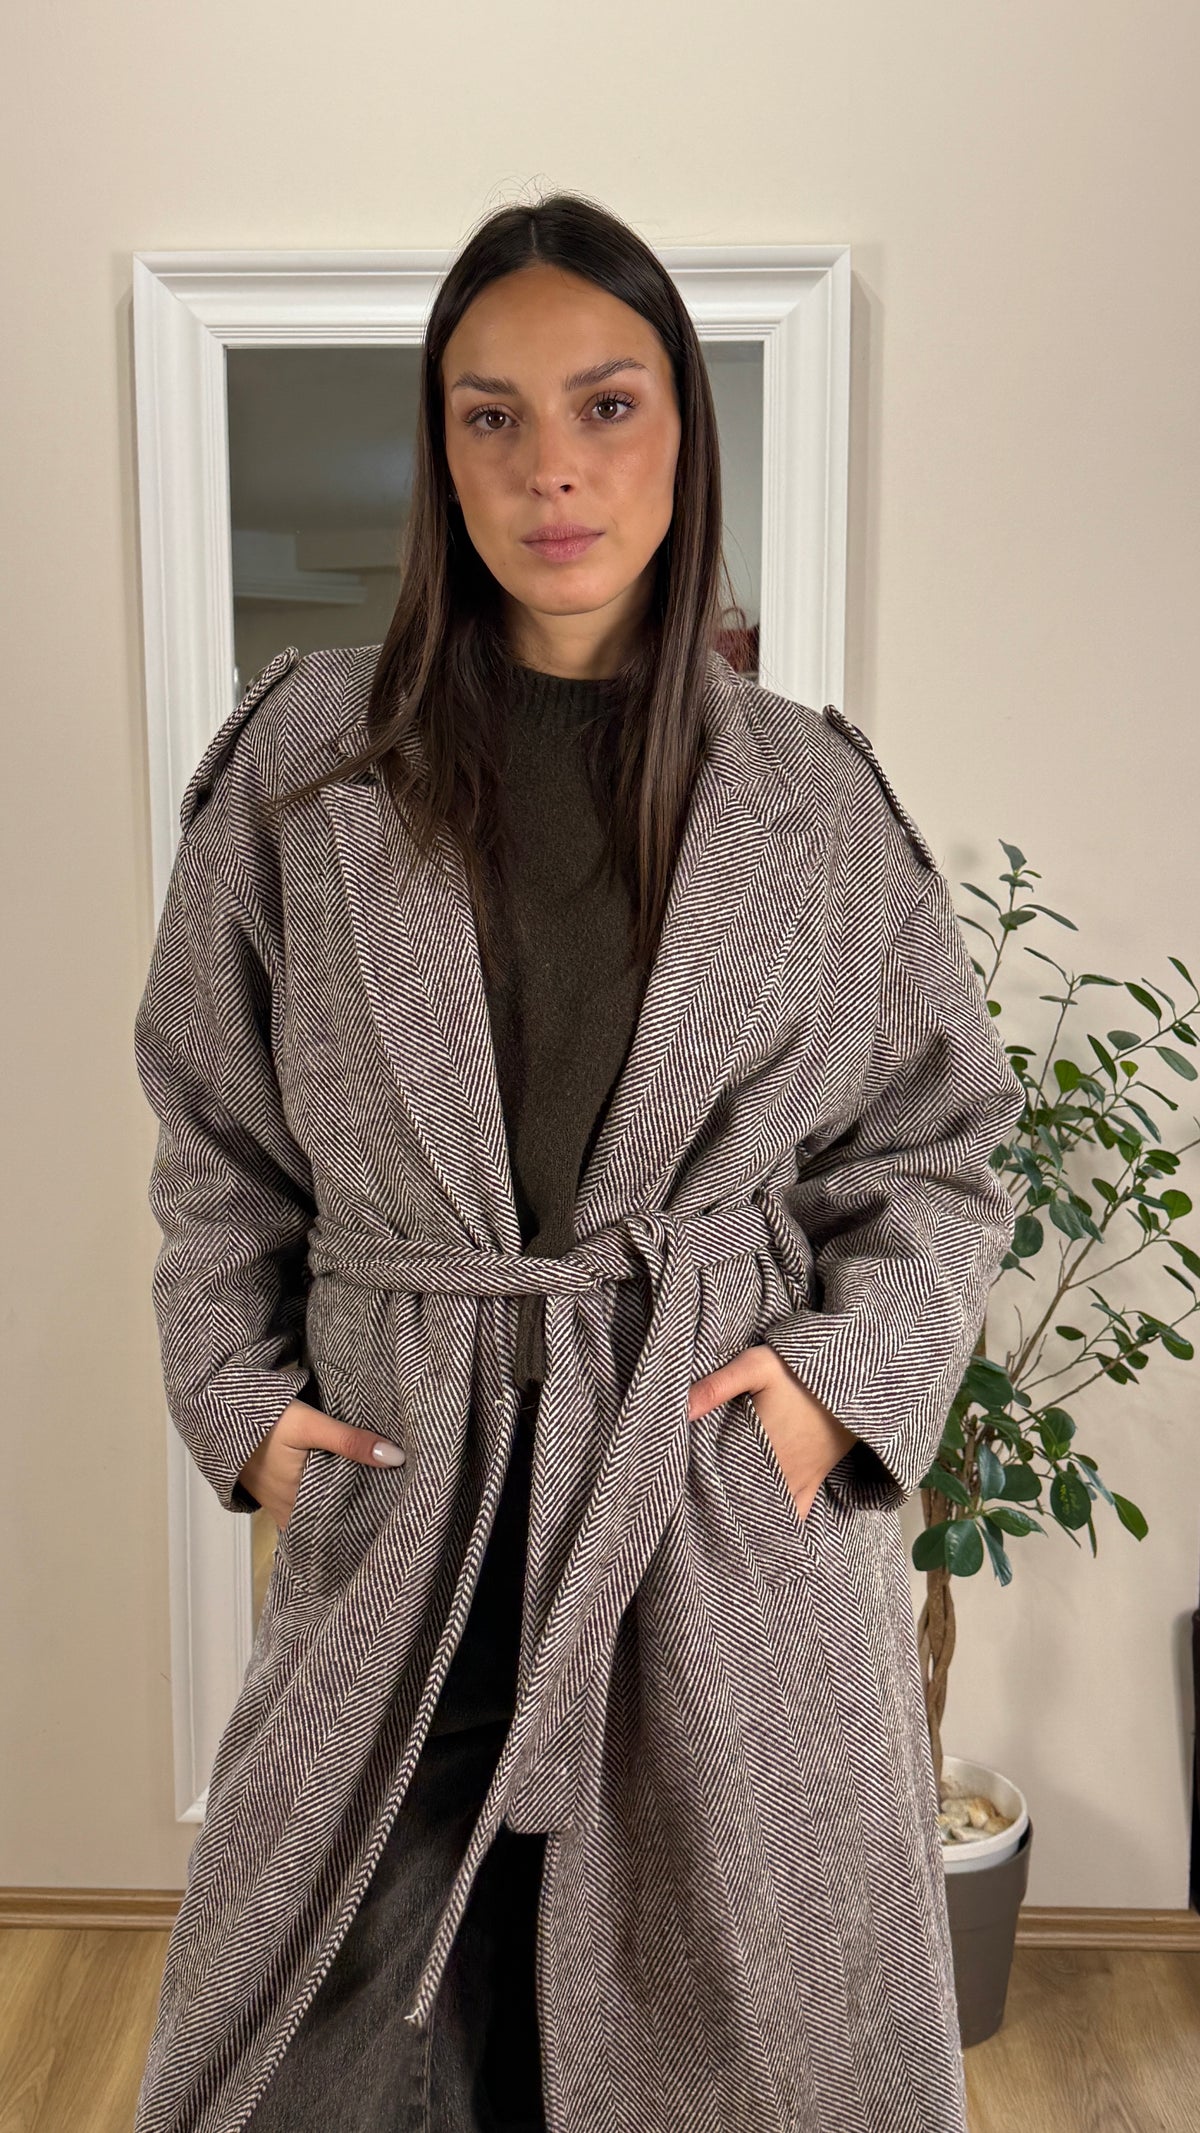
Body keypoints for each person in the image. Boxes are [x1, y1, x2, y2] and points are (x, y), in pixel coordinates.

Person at [133, 191, 1026, 2133]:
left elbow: (943, 1139)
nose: (552, 466)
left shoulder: (809, 797)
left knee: (737, 2053)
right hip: (410, 1493)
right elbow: (214, 1136)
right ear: (441, 447)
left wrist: (826, 1393)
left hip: (706, 1513)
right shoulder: (302, 767)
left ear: (682, 433)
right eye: (494, 414)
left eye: (607, 405)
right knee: (314, 2046)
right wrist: (243, 1406)